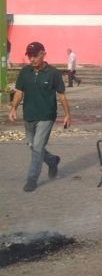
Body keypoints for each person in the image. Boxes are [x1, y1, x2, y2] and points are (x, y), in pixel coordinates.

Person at [9, 42, 71, 192]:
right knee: (31, 145)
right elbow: (19, 92)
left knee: (37, 147)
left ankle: (32, 179)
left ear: (43, 54)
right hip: (29, 115)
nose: (32, 59)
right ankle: (52, 160)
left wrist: (67, 114)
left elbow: (61, 95)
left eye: (35, 56)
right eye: (29, 56)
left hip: (46, 115)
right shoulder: (25, 72)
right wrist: (13, 108)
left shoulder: (53, 73)